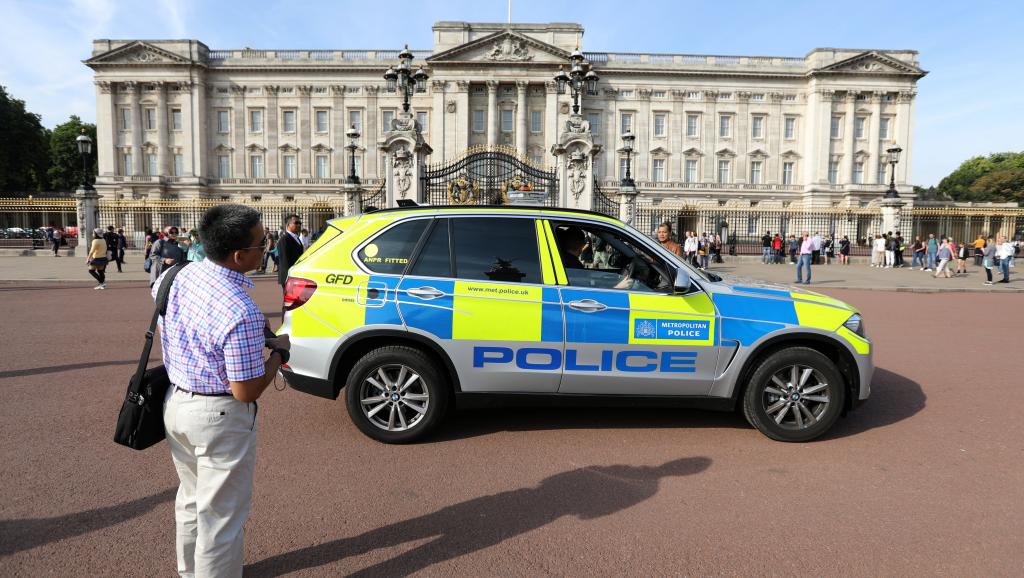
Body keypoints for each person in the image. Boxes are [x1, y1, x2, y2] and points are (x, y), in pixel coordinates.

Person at [157, 204, 290, 577]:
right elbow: (245, 391)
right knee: (221, 519)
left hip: (176, 401)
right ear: (239, 256)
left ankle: (188, 572)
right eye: (261, 243)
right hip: (218, 418)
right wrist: (278, 355)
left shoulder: (179, 274)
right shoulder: (240, 310)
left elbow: (164, 304)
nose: (265, 248)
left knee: (191, 499)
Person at [277, 215, 305, 291]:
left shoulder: (296, 238)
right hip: (289, 277)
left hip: (296, 275)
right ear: (288, 225)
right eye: (296, 223)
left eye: (300, 223)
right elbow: (284, 261)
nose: (299, 225)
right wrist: (290, 278)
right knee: (289, 301)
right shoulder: (284, 239)